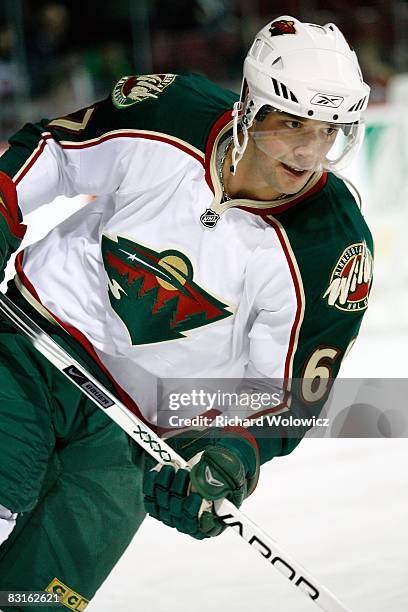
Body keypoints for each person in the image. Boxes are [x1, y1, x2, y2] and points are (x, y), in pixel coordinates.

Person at [0, 15, 373, 610]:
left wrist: (229, 454)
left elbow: (285, 393)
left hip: (140, 436)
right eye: (291, 124)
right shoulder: (170, 112)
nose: (308, 151)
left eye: (328, 131)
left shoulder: (333, 246)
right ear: (250, 107)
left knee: (30, 602)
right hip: (30, 346)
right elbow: (55, 151)